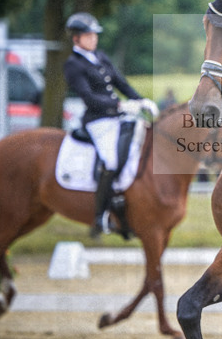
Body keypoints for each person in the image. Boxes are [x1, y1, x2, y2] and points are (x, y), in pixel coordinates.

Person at [63, 13, 157, 237]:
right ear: (76, 39)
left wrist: (140, 100)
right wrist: (120, 106)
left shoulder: (100, 57)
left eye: (95, 34)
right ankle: (100, 216)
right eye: (88, 35)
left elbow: (120, 82)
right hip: (97, 121)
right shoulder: (73, 64)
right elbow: (88, 97)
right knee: (111, 160)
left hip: (117, 118)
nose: (93, 38)